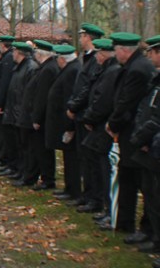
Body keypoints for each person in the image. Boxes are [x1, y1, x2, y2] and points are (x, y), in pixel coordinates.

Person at [103, 32, 155, 234]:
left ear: (125, 50)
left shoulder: (137, 70)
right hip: (130, 131)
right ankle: (125, 222)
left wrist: (113, 124)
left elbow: (127, 103)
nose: (115, 55)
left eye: (116, 50)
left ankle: (140, 227)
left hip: (133, 132)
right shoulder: (133, 67)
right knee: (128, 178)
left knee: (138, 182)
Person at [80, 39, 121, 225]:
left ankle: (107, 206)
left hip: (103, 127)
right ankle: (99, 202)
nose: (96, 56)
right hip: (98, 125)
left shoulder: (111, 72)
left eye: (99, 53)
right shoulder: (105, 70)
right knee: (95, 166)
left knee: (105, 170)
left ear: (105, 54)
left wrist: (90, 118)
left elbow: (102, 100)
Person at [66, 23, 105, 212]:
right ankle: (87, 193)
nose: (80, 39)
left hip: (87, 115)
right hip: (81, 114)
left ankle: (95, 198)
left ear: (88, 37)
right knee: (84, 158)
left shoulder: (96, 60)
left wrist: (75, 106)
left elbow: (88, 88)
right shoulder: (87, 59)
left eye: (82, 36)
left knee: (92, 160)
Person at [130, 35, 160, 258]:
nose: (149, 56)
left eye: (152, 52)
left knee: (155, 196)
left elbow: (157, 118)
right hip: (149, 145)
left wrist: (141, 139)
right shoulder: (155, 78)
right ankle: (151, 233)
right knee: (149, 193)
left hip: (153, 146)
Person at [21, 39, 60, 190]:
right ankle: (41, 176)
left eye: (36, 52)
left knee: (43, 150)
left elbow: (42, 96)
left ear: (41, 53)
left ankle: (47, 179)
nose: (34, 54)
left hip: (42, 118)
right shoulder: (44, 67)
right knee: (38, 149)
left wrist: (36, 118)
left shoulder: (48, 69)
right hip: (40, 116)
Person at [45, 44, 81, 201]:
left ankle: (73, 190)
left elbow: (68, 99)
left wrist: (69, 127)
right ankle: (69, 188)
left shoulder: (72, 71)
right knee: (68, 158)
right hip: (62, 121)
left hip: (67, 122)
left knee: (72, 160)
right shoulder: (68, 70)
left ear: (62, 59)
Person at [2, 41, 38, 185]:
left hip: (23, 114)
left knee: (27, 148)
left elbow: (28, 94)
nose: (12, 54)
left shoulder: (30, 68)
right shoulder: (19, 67)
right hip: (15, 112)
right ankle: (20, 171)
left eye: (15, 51)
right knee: (19, 145)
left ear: (21, 53)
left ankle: (27, 176)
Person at [0, 35, 16, 177]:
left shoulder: (8, 59)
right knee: (2, 133)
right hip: (2, 99)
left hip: (5, 102)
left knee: (5, 134)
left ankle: (6, 160)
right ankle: (4, 159)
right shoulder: (5, 57)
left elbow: (4, 82)